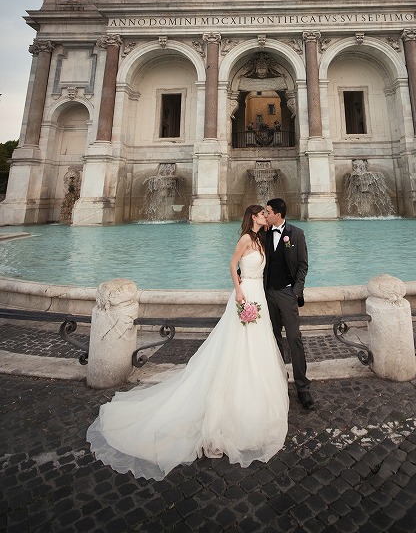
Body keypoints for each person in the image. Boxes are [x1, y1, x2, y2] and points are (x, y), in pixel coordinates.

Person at [86, 205, 289, 480]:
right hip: (245, 295)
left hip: (259, 296)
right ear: (253, 217)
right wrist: (239, 290)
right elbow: (232, 265)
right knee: (237, 345)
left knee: (256, 345)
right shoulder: (244, 239)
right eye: (262, 214)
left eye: (267, 213)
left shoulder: (261, 240)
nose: (266, 216)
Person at [264, 198, 314, 409]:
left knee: (294, 338)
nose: (265, 214)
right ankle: (279, 380)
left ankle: (302, 387)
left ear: (278, 214)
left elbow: (303, 266)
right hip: (268, 294)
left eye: (268, 212)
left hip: (287, 293)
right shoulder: (264, 233)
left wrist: (296, 292)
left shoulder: (297, 234)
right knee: (274, 338)